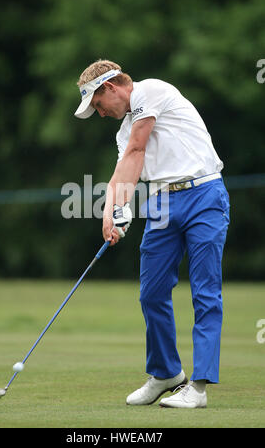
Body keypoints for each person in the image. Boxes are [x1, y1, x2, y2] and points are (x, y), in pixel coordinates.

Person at [74, 59, 230, 408]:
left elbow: (137, 150)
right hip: (161, 204)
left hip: (204, 194)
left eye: (98, 104)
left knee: (205, 292)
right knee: (152, 292)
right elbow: (125, 168)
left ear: (111, 88)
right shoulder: (122, 131)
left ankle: (199, 388)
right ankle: (166, 374)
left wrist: (120, 205)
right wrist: (111, 213)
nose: (100, 114)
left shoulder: (151, 90)